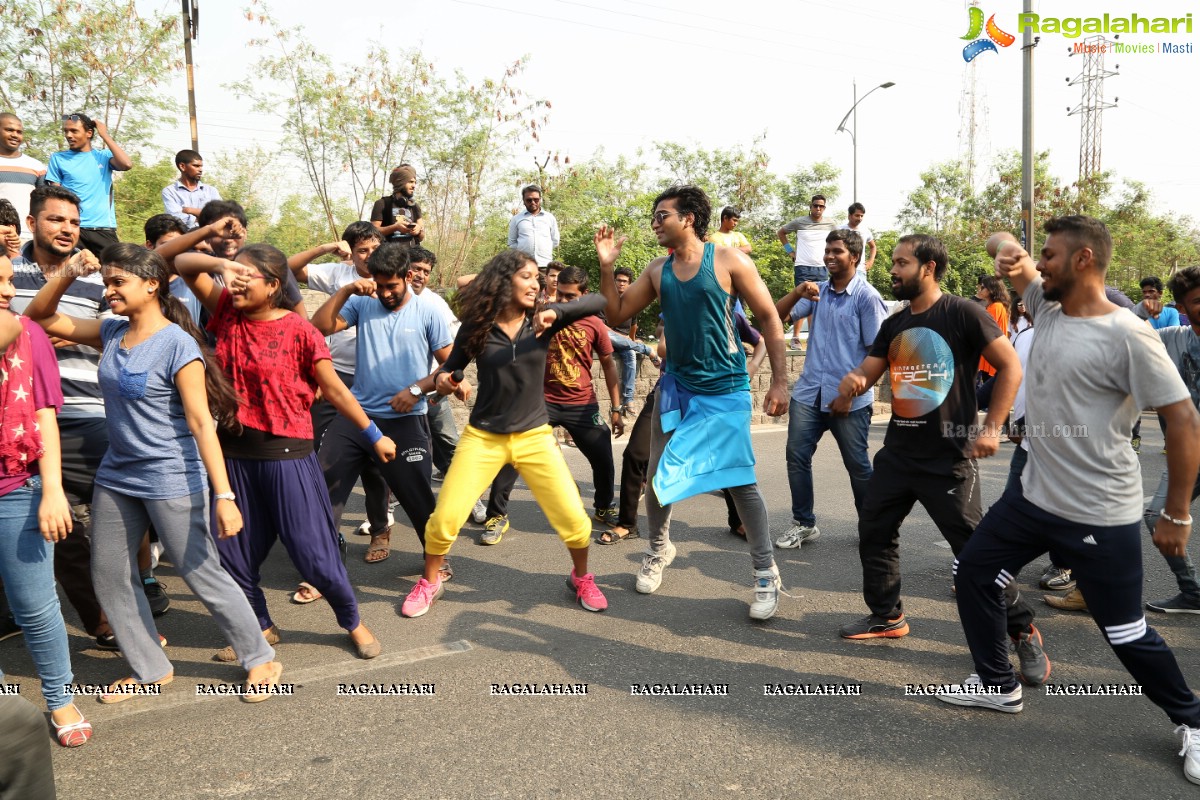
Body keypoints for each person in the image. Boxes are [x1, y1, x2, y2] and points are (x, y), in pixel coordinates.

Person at [940, 220, 1200, 788]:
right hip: (1034, 497)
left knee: (1126, 631)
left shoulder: (1129, 335)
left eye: (1051, 256)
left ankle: (1193, 720)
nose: (1040, 266)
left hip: (1097, 511)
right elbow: (1006, 251)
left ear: (1084, 260)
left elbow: (1182, 421)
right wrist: (1010, 250)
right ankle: (996, 686)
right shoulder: (1047, 305)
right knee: (974, 573)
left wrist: (1178, 512)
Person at [24, 243, 285, 702]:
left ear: (152, 284)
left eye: (118, 281)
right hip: (117, 474)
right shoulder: (110, 333)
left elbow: (201, 422)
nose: (109, 291)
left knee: (199, 569)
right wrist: (66, 273)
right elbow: (39, 316)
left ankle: (260, 656)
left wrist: (224, 496)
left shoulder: (177, 344)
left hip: (170, 475)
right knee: (108, 573)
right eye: (106, 282)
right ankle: (151, 666)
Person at [832, 234, 1048, 686]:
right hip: (898, 455)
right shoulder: (894, 323)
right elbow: (870, 370)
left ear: (928, 268)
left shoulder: (964, 313)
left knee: (977, 553)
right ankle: (887, 616)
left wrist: (992, 428)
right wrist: (854, 380)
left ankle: (1023, 630)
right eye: (892, 262)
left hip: (948, 458)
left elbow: (1010, 366)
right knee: (874, 533)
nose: (892, 270)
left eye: (901, 263)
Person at [175, 245, 390, 660]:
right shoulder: (226, 314)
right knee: (235, 554)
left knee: (314, 553)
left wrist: (374, 434)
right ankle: (261, 626)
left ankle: (352, 621)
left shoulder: (299, 329)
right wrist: (223, 264)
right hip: (234, 457)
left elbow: (334, 390)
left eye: (246, 276)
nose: (233, 283)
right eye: (230, 275)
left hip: (288, 458)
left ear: (274, 285)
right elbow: (182, 264)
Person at [595, 184, 790, 620]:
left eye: (662, 214)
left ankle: (765, 573)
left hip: (724, 389)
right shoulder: (656, 269)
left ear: (688, 218)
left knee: (739, 482)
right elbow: (617, 315)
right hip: (677, 387)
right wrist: (607, 268)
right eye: (654, 215)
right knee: (659, 474)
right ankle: (659, 549)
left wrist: (779, 381)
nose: (655, 222)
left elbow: (769, 319)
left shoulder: (729, 260)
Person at [399, 249, 609, 618]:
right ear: (504, 280)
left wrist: (556, 310)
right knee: (445, 520)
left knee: (575, 520)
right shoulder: (478, 325)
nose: (536, 283)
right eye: (526, 276)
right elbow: (450, 368)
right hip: (483, 437)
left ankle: (581, 577)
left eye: (537, 277)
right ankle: (430, 581)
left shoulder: (544, 319)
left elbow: (600, 300)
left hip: (535, 436)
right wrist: (443, 383)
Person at [11, 185, 118, 649]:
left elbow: (110, 336)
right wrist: (35, 335)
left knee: (124, 512)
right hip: (21, 419)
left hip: (85, 411)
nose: (67, 230)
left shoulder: (96, 280)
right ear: (32, 224)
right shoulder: (6, 273)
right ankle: (100, 619)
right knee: (55, 525)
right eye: (56, 220)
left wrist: (58, 336)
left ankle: (136, 590)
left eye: (74, 222)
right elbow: (21, 333)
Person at [311, 242, 456, 575]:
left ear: (407, 276)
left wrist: (417, 389)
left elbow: (450, 366)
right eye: (380, 285)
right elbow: (319, 327)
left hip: (406, 419)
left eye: (392, 286)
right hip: (358, 417)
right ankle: (321, 567)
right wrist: (347, 290)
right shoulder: (363, 303)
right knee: (323, 484)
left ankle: (435, 557)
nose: (386, 293)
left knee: (418, 496)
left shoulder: (428, 311)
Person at [0, 254, 92, 744]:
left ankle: (59, 697)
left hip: (17, 485)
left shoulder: (28, 332)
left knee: (35, 606)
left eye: (10, 279)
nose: (7, 290)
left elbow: (44, 416)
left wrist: (52, 488)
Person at [480, 265, 625, 543]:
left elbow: (608, 366)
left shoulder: (594, 324)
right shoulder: (542, 316)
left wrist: (616, 408)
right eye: (561, 295)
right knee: (512, 455)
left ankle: (604, 507)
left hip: (582, 404)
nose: (564, 302)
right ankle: (496, 516)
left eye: (572, 297)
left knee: (603, 455)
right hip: (540, 402)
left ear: (584, 296)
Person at [287, 223, 396, 576]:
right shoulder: (337, 273)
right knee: (321, 456)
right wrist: (324, 248)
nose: (369, 257)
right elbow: (286, 269)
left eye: (373, 249)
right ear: (350, 251)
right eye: (361, 250)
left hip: (376, 381)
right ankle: (323, 539)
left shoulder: (392, 280)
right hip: (333, 378)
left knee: (374, 460)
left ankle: (380, 528)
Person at [773, 229, 887, 550]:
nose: (828, 256)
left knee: (858, 465)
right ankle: (804, 524)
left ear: (854, 257)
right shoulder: (816, 292)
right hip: (809, 394)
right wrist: (797, 292)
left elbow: (878, 355)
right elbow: (775, 317)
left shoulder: (867, 297)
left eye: (836, 251)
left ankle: (872, 527)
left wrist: (848, 394)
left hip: (848, 401)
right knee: (796, 457)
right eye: (827, 250)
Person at [1141, 266, 1200, 613]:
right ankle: (1192, 592)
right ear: (1182, 306)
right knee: (1157, 515)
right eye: (1197, 300)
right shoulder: (1173, 337)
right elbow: (1125, 334)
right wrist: (1140, 311)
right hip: (1189, 451)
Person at [45, 113, 131, 256]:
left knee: (115, 271)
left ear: (89, 133)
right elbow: (55, 195)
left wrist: (104, 135)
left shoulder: (103, 156)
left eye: (74, 131)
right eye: (66, 131)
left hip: (103, 228)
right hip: (72, 228)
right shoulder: (58, 158)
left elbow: (126, 164)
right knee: (69, 274)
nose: (69, 135)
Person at [0, 113, 45, 244]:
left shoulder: (36, 166)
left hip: (28, 235)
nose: (15, 135)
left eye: (19, 132)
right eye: (9, 130)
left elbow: (43, 202)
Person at [778, 195, 836, 285]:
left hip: (822, 268)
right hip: (802, 268)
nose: (818, 208)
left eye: (821, 206)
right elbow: (781, 233)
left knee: (820, 298)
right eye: (815, 205)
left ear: (824, 208)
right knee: (802, 298)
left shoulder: (830, 224)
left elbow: (839, 240)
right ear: (810, 207)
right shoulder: (799, 222)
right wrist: (790, 252)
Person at [161, 149, 221, 230]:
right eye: (196, 166)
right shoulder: (170, 192)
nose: (200, 170)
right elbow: (175, 219)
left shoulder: (211, 191)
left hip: (209, 239)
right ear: (182, 166)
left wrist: (190, 210)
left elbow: (220, 215)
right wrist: (206, 217)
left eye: (201, 166)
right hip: (184, 240)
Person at [370, 164, 424, 246]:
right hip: (388, 256)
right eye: (410, 182)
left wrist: (419, 230)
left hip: (412, 256)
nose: (414, 186)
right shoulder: (382, 203)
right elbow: (372, 233)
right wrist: (395, 227)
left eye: (415, 182)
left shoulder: (415, 206)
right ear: (400, 183)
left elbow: (421, 237)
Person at [507, 184, 560, 267]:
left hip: (545, 265)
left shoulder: (549, 218)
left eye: (536, 199)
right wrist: (523, 251)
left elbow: (555, 240)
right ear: (524, 201)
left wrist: (544, 249)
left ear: (540, 200)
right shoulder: (516, 219)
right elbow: (512, 243)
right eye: (529, 200)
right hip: (524, 265)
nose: (533, 202)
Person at [974, 274, 1010, 385]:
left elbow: (982, 329)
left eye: (983, 287)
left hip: (992, 356)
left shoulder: (995, 307)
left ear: (991, 290)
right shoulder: (995, 306)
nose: (980, 289)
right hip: (993, 355)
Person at [839, 202, 876, 274]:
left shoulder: (865, 231)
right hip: (843, 270)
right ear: (849, 216)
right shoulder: (840, 230)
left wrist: (870, 261)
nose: (860, 218)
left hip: (860, 270)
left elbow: (873, 246)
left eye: (862, 216)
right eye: (857, 215)